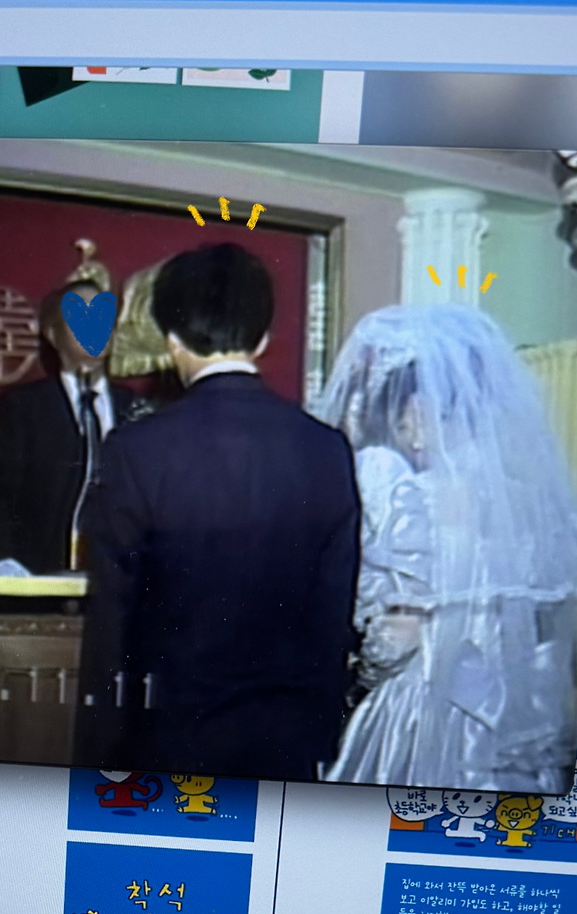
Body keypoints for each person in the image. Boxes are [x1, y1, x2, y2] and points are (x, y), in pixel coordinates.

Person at [74, 243, 363, 780]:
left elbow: (112, 625)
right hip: (285, 747)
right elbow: (332, 617)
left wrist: (98, 757)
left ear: (172, 340)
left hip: (168, 744)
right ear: (263, 337)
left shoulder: (138, 450)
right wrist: (320, 740)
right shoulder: (326, 449)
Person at [316, 304, 577, 793]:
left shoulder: (406, 493)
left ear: (414, 414)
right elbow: (544, 630)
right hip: (506, 711)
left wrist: (365, 672)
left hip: (421, 706)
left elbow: (398, 633)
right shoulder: (523, 502)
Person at [0, 274, 133, 575]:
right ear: (53, 335)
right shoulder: (24, 408)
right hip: (41, 577)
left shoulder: (136, 408)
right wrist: (4, 570)